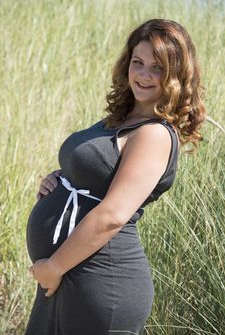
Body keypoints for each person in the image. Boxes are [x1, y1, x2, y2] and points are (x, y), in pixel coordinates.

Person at [25, 18, 206, 335]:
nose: (144, 75)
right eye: (138, 62)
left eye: (158, 68)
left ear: (177, 76)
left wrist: (54, 267)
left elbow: (113, 215)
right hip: (67, 276)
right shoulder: (120, 119)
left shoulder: (154, 135)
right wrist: (61, 181)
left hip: (100, 281)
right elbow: (96, 173)